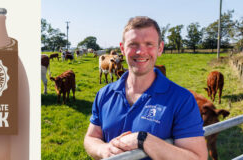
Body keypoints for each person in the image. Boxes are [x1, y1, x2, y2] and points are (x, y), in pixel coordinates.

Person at [84, 16, 208, 160]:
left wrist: (143, 139)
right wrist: (103, 149)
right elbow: (91, 137)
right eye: (133, 44)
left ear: (160, 48)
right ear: (123, 49)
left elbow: (197, 157)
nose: (140, 51)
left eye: (149, 44)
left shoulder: (182, 100)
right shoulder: (104, 94)